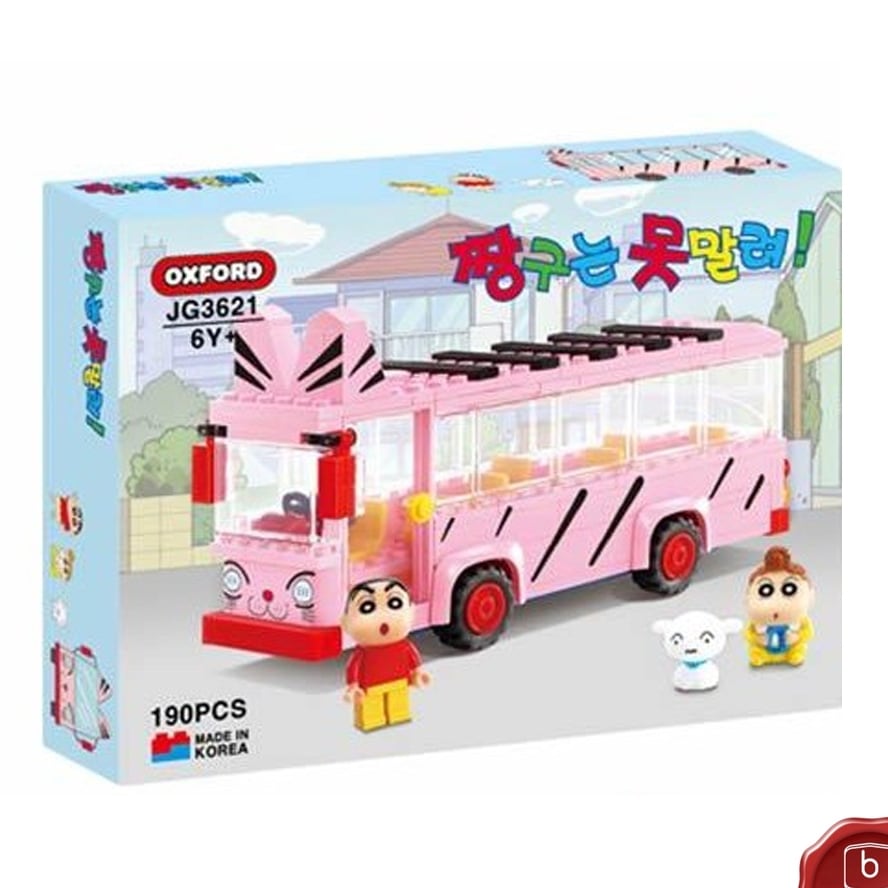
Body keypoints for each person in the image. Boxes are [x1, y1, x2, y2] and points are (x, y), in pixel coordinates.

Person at [341, 578, 430, 731]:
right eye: (367, 607)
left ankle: (399, 715)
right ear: (346, 623)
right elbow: (353, 668)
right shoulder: (362, 652)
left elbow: (413, 658)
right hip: (370, 685)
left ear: (411, 612)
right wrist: (353, 686)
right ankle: (371, 721)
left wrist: (418, 672)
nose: (383, 617)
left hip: (399, 681)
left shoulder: (404, 646)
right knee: (371, 706)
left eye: (395, 603)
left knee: (398, 702)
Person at [744, 546, 814, 666]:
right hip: (764, 650)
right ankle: (760, 656)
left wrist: (797, 637)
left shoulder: (799, 623)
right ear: (747, 597)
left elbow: (808, 632)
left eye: (789, 590)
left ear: (810, 596)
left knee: (797, 650)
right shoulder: (757, 624)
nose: (776, 603)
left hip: (791, 649)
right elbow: (748, 634)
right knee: (756, 652)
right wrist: (757, 638)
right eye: (765, 591)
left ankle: (794, 655)